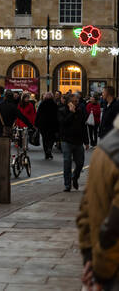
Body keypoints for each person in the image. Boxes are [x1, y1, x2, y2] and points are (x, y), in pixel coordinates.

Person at [76, 115, 119, 291]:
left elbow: (85, 208)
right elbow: (114, 225)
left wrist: (89, 256)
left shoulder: (104, 148)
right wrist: (102, 270)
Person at [59, 94, 89, 192]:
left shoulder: (80, 111)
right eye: (75, 101)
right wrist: (71, 113)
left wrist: (86, 141)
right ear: (69, 103)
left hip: (78, 141)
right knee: (67, 162)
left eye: (77, 101)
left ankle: (75, 177)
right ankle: (67, 185)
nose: (77, 103)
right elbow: (63, 124)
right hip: (66, 141)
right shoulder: (62, 111)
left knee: (80, 163)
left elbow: (84, 127)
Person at [36, 92, 59, 159]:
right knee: (51, 138)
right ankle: (49, 148)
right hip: (52, 124)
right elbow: (57, 115)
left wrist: (36, 123)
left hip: (43, 124)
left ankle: (46, 153)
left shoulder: (42, 103)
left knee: (45, 138)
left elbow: (38, 114)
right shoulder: (54, 104)